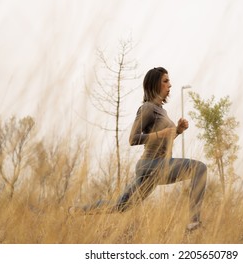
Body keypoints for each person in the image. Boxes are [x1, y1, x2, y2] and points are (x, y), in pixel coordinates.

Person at [70, 67, 207, 232]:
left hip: (156, 167)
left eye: (169, 81)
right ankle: (194, 221)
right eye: (165, 81)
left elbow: (163, 141)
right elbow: (133, 139)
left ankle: (76, 211)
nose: (170, 85)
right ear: (154, 85)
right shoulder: (148, 108)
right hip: (151, 164)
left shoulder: (161, 111)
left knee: (122, 206)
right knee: (199, 168)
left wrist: (177, 130)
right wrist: (161, 133)